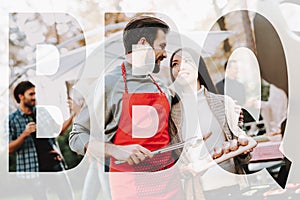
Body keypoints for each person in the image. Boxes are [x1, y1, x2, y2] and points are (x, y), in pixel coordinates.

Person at [70, 16, 183, 199]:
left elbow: (170, 133)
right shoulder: (109, 83)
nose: (165, 54)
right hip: (132, 187)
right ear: (143, 43)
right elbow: (77, 136)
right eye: (162, 46)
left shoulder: (161, 85)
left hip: (170, 182)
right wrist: (115, 150)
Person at [170, 48, 252, 200]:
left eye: (188, 61)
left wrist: (244, 149)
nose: (181, 67)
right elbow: (172, 157)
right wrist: (182, 169)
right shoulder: (171, 113)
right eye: (175, 64)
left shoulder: (223, 102)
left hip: (232, 185)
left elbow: (242, 146)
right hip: (197, 191)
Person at [8, 81, 76, 199]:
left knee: (68, 197)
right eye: (31, 94)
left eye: (35, 94)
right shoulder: (12, 120)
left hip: (54, 163)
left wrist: (73, 114)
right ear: (21, 96)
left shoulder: (43, 112)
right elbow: (9, 148)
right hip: (33, 170)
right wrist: (24, 134)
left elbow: (60, 131)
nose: (34, 97)